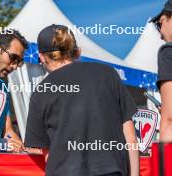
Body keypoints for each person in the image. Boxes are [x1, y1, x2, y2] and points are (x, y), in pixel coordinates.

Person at [24, 24, 139, 176]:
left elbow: (46, 152)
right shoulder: (107, 74)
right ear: (77, 51)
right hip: (111, 170)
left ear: (41, 57)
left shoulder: (41, 91)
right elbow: (130, 136)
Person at [150, 0, 172, 142]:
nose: (160, 33)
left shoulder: (168, 52)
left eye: (160, 23)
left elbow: (170, 119)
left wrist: (164, 163)